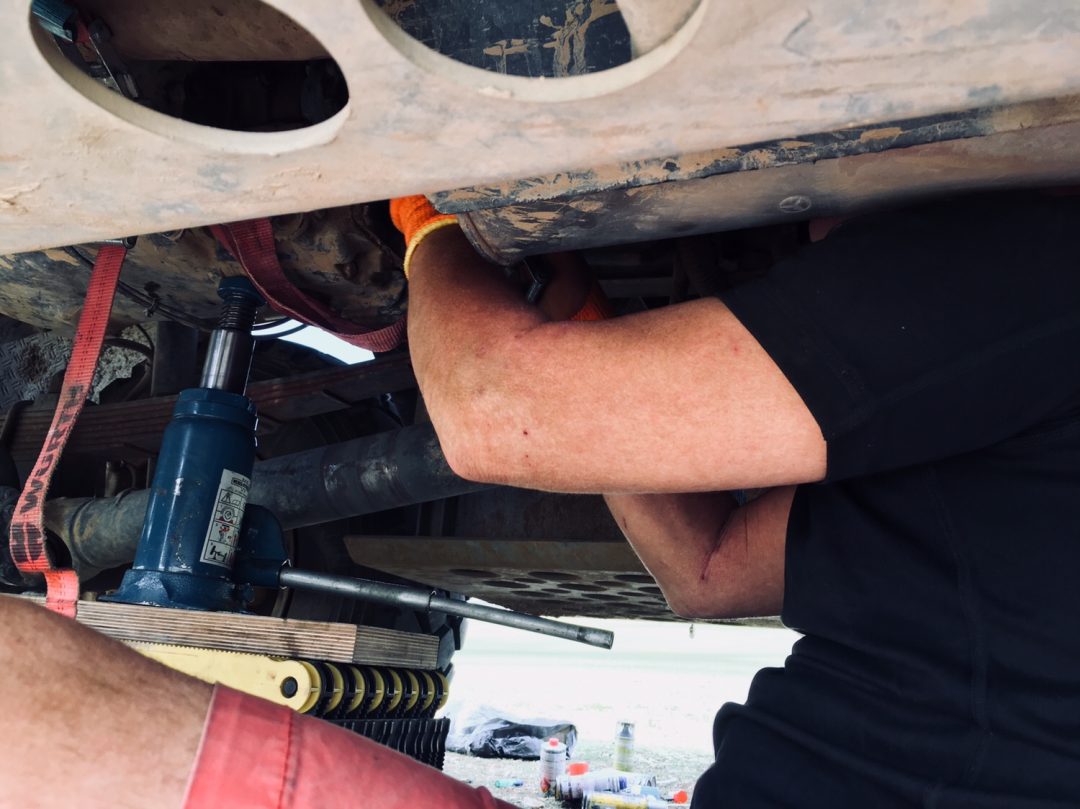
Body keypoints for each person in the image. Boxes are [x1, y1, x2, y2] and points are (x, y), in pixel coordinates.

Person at [2, 189, 1078, 808]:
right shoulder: (1002, 494)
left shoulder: (1028, 269)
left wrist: (431, 219)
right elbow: (707, 566)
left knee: (24, 690)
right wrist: (590, 348)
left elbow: (496, 414)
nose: (801, 250)